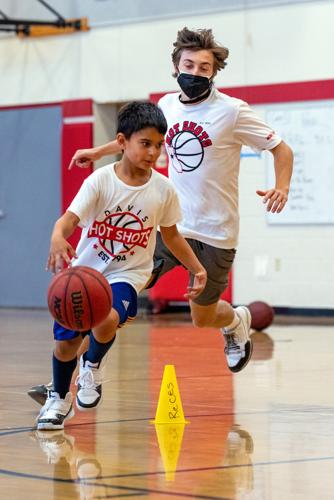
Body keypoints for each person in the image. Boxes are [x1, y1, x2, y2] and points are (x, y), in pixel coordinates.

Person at [68, 27, 293, 375]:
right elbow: (136, 139)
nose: (195, 73)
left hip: (216, 232)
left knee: (203, 318)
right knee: (117, 291)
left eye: (204, 68)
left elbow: (281, 148)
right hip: (171, 226)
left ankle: (235, 320)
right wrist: (98, 152)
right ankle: (76, 371)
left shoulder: (232, 111)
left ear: (213, 73)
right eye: (189, 65)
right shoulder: (166, 105)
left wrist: (281, 186)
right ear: (175, 67)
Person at [36, 101, 207, 431]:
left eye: (159, 145)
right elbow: (69, 221)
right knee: (65, 344)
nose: (153, 152)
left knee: (108, 317)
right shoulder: (100, 181)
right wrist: (58, 236)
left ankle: (93, 366)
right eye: (145, 144)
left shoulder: (163, 190)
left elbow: (170, 236)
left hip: (129, 274)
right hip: (86, 272)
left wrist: (196, 268)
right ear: (122, 141)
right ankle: (58, 398)